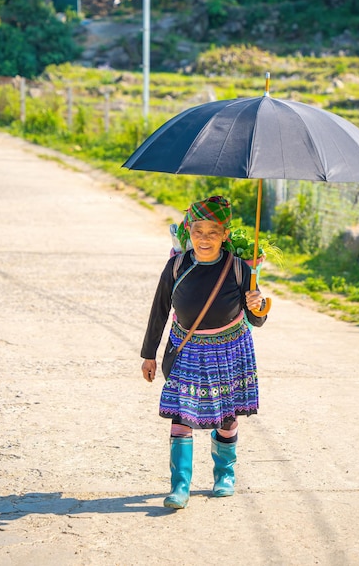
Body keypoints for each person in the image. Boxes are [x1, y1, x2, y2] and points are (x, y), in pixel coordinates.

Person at [141, 195, 268, 509]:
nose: (205, 238)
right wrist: (149, 354)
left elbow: (257, 319)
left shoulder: (238, 269)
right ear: (189, 231)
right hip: (187, 348)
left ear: (225, 234)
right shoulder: (176, 266)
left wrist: (258, 304)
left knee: (227, 416)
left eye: (213, 232)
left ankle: (224, 475)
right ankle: (180, 486)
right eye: (198, 231)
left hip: (230, 349)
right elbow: (159, 310)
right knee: (181, 414)